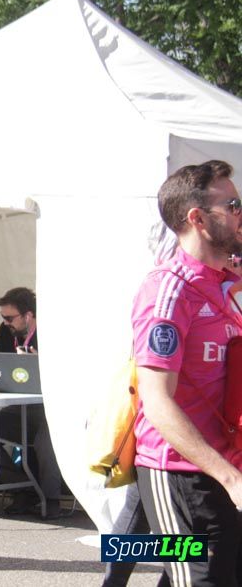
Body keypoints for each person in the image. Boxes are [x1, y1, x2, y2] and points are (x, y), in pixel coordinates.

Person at [132, 160, 242, 585]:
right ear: (197, 218)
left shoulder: (224, 283)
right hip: (177, 473)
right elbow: (157, 399)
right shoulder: (168, 290)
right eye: (233, 204)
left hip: (223, 470)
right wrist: (230, 477)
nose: (240, 212)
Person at [0, 287, 62, 519]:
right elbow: (5, 366)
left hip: (51, 408)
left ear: (28, 315)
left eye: (9, 318)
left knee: (45, 443)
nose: (5, 323)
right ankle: (24, 488)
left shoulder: (54, 334)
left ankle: (52, 499)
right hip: (21, 405)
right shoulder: (7, 332)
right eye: (3, 318)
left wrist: (41, 365)